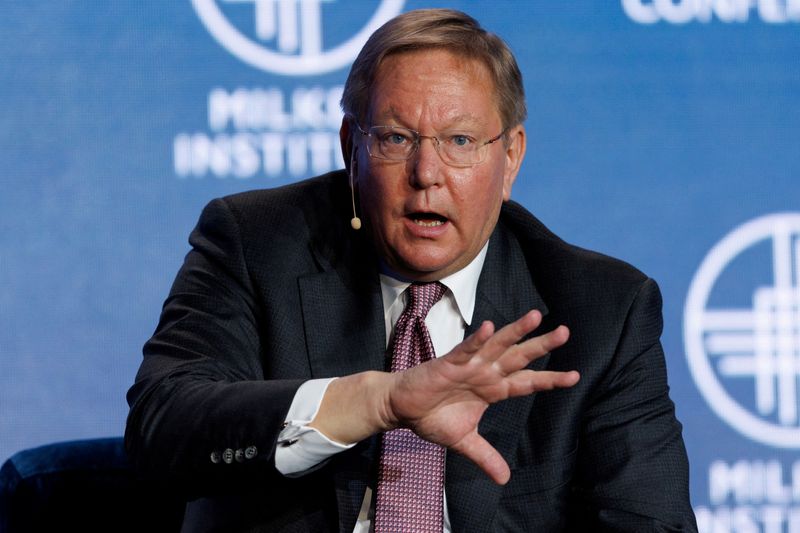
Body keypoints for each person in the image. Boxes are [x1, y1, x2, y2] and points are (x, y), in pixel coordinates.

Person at [125, 8, 697, 532]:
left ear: (511, 157)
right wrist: (379, 402)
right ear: (353, 149)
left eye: (460, 141)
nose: (427, 173)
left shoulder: (602, 309)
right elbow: (161, 431)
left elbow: (650, 521)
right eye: (397, 138)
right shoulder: (256, 244)